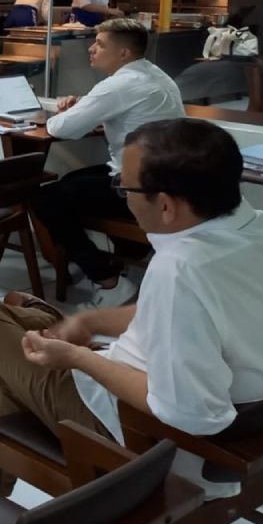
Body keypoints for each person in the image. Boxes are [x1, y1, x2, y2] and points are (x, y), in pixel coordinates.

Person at [0, 118, 263, 500]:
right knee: (21, 349)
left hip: (140, 433)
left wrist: (77, 358)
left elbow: (190, 415)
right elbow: (196, 320)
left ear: (164, 205)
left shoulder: (181, 270)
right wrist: (92, 321)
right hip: (260, 412)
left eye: (123, 186)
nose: (123, 196)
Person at [30, 18, 184, 308]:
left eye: (100, 44)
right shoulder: (155, 75)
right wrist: (84, 110)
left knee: (44, 197)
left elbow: (60, 129)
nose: (91, 48)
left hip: (137, 186)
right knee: (66, 185)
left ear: (123, 53)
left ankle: (107, 279)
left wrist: (70, 113)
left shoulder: (120, 84)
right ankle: (97, 256)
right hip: (166, 177)